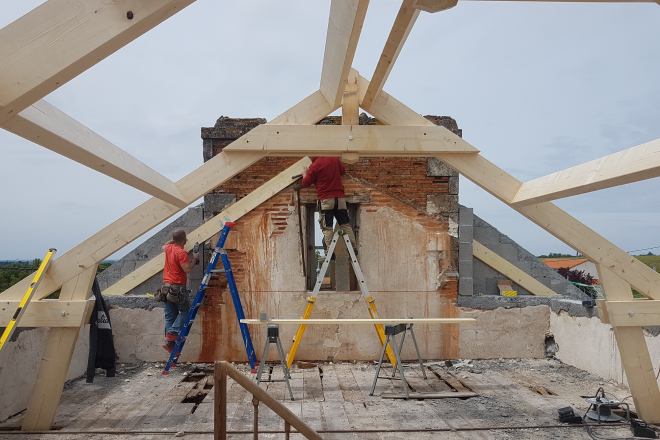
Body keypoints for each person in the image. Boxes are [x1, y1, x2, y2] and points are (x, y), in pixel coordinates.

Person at [301, 157, 357, 254]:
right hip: (340, 199)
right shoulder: (334, 159)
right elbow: (342, 171)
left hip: (326, 200)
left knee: (327, 227)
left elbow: (306, 183)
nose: (309, 157)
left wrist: (304, 174)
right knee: (345, 225)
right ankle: (353, 249)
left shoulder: (315, 165)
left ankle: (330, 252)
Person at [161, 229, 199, 353]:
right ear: (185, 239)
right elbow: (187, 269)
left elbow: (164, 245)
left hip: (166, 288)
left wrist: (176, 239)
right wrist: (195, 259)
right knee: (185, 312)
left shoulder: (169, 248)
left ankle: (169, 343)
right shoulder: (181, 252)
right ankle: (172, 333)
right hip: (177, 287)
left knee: (170, 316)